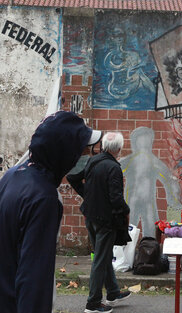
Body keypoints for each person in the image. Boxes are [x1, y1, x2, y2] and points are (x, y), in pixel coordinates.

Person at [0, 111, 101, 313]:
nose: (85, 155)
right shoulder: (44, 198)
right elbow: (33, 277)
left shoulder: (11, 177)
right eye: (81, 150)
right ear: (63, 152)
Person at [67, 132, 131, 313]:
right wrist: (126, 212)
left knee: (102, 256)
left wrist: (88, 196)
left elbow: (73, 178)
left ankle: (113, 292)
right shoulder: (114, 168)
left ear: (102, 146)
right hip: (105, 221)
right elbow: (116, 199)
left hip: (91, 217)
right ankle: (93, 303)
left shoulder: (93, 161)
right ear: (119, 149)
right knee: (100, 260)